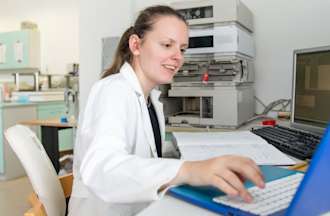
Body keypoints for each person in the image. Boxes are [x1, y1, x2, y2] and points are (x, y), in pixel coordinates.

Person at [68, 5, 265, 216]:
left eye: (181, 49)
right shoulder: (113, 91)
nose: (177, 57)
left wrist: (201, 160)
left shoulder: (151, 98)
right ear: (136, 45)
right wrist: (190, 170)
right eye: (166, 45)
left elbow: (145, 150)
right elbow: (103, 170)